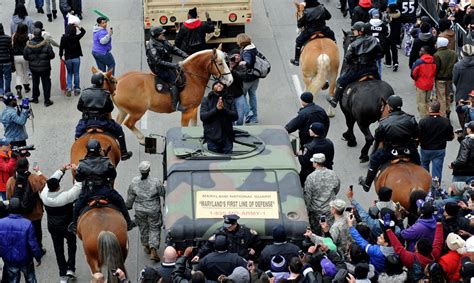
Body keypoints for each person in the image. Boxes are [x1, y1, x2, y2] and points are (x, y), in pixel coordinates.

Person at [68, 139, 135, 233]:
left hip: (88, 192)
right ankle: (128, 223)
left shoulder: (82, 164)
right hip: (105, 190)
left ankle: (74, 225)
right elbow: (113, 175)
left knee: (77, 206)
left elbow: (78, 179)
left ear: (87, 150)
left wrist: (76, 170)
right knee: (120, 201)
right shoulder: (106, 162)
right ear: (99, 150)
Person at [359, 95, 419, 191]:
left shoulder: (384, 122)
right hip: (408, 150)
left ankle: (367, 184)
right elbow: (416, 135)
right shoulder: (411, 119)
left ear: (389, 107)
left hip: (390, 151)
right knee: (418, 162)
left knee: (374, 159)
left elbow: (378, 139)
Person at [75, 73, 133, 160]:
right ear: (102, 82)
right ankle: (124, 153)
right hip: (102, 122)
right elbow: (110, 109)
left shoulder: (85, 92)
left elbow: (79, 107)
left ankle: (76, 150)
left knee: (77, 133)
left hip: (87, 122)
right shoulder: (105, 94)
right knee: (119, 130)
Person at [39, 164, 81, 282]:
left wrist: (61, 170)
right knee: (71, 245)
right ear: (58, 187)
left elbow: (52, 180)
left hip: (53, 227)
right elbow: (78, 186)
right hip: (67, 225)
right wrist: (75, 170)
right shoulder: (66, 197)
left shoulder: (44, 195)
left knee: (58, 250)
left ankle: (63, 275)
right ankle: (70, 268)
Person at [328, 22, 382, 108]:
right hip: (372, 69)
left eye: (355, 30)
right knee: (379, 82)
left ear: (360, 32)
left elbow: (347, 58)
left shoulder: (353, 44)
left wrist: (353, 62)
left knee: (341, 81)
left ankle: (334, 100)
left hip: (357, 70)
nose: (353, 32)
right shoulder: (374, 40)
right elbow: (380, 54)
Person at [126, 161, 165, 261]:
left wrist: (128, 206)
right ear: (149, 170)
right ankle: (153, 249)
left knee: (143, 227)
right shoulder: (156, 182)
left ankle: (146, 245)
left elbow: (131, 196)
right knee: (154, 228)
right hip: (153, 209)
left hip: (140, 210)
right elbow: (162, 192)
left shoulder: (134, 181)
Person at [6, 158, 47, 252]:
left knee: (23, 232)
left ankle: (26, 249)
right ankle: (39, 249)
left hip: (20, 213)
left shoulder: (11, 181)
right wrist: (39, 172)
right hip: (35, 212)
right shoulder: (34, 178)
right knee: (37, 231)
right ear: (27, 167)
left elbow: (9, 197)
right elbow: (47, 185)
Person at [145, 26, 188, 112]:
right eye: (161, 34)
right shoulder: (151, 47)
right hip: (158, 67)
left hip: (166, 63)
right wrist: (173, 65)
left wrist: (185, 55)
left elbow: (173, 48)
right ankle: (175, 105)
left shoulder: (163, 40)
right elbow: (158, 62)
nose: (163, 35)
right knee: (174, 80)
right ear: (156, 36)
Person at [0, 198, 43, 283]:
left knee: (13, 280)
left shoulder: (1, 223)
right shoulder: (27, 223)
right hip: (26, 259)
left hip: (9, 259)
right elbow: (33, 244)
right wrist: (38, 257)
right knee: (30, 278)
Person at [193, 214, 261, 261]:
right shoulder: (220, 231)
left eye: (229, 226)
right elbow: (208, 245)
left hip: (241, 260)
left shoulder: (246, 231)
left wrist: (254, 249)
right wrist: (198, 255)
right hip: (227, 260)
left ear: (235, 224)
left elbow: (257, 240)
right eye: (226, 225)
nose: (227, 227)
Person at [289, 0, 335, 66]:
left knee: (298, 41)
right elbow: (329, 17)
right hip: (323, 29)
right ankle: (334, 48)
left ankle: (296, 60)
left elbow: (300, 25)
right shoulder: (321, 8)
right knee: (332, 35)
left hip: (310, 31)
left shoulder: (306, 12)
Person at [303, 153, 340, 232]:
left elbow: (308, 196)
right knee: (329, 232)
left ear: (315, 163)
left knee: (317, 232)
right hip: (330, 210)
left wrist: (307, 210)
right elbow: (336, 188)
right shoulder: (332, 174)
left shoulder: (311, 177)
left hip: (316, 212)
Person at [419, 101, 454, 182]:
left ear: (430, 109)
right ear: (439, 109)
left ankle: (425, 188)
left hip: (425, 149)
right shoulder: (445, 121)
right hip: (439, 150)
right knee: (437, 171)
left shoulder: (423, 121)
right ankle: (436, 192)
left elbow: (418, 136)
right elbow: (450, 137)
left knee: (424, 169)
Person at [200, 80, 238, 154]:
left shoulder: (229, 99)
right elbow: (203, 117)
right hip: (212, 137)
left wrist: (224, 110)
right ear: (213, 87)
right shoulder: (206, 99)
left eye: (221, 84)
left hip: (227, 137)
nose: (219, 84)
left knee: (228, 161)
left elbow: (235, 116)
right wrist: (216, 109)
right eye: (216, 83)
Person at [23, 28, 55, 107]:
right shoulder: (47, 44)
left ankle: (35, 98)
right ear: (41, 34)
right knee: (46, 83)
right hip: (45, 68)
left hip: (34, 68)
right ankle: (47, 100)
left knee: (35, 82)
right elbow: (52, 55)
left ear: (33, 34)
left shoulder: (28, 45)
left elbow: (26, 57)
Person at [236, 33, 260, 124]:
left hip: (247, 78)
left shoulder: (246, 52)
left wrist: (243, 63)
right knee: (252, 96)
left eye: (238, 41)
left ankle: (248, 112)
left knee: (241, 96)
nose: (237, 43)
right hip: (255, 77)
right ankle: (254, 117)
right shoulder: (253, 47)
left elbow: (248, 61)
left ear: (241, 42)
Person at [59, 23, 86, 97]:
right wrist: (78, 26)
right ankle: (77, 89)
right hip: (76, 58)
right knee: (76, 73)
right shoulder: (76, 37)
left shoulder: (63, 38)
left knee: (69, 73)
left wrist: (60, 56)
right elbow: (84, 32)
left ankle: (69, 88)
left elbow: (61, 48)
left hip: (68, 58)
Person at [433, 37, 457, 117]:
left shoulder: (437, 55)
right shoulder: (453, 53)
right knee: (447, 96)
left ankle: (442, 114)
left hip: (440, 79)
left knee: (441, 98)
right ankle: (448, 110)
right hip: (450, 78)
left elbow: (436, 68)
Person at [411, 46, 436, 118]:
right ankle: (429, 114)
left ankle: (424, 118)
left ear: (425, 52)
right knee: (428, 101)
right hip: (430, 84)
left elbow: (413, 73)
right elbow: (434, 72)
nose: (420, 52)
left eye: (421, 51)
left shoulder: (419, 61)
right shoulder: (433, 61)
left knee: (421, 102)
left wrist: (416, 80)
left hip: (421, 85)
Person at [453, 44, 474, 126]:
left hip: (461, 97)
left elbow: (455, 80)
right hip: (472, 96)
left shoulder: (457, 66)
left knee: (463, 122)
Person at [226, 49, 247, 126]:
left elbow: (241, 77)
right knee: (229, 118)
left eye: (239, 56)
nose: (237, 57)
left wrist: (232, 70)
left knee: (240, 118)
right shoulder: (225, 66)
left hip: (238, 95)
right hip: (228, 96)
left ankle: (239, 129)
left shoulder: (241, 67)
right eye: (235, 55)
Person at [368, 8, 389, 77]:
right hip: (380, 46)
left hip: (370, 47)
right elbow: (387, 34)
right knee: (378, 63)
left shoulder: (368, 25)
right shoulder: (383, 25)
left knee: (370, 63)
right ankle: (379, 78)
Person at [12, 24, 30, 98]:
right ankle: (26, 86)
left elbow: (12, 45)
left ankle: (18, 87)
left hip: (16, 56)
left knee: (18, 74)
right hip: (24, 56)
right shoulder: (27, 37)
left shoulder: (14, 36)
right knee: (25, 71)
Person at [385, 4, 402, 72]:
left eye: (388, 8)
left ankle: (388, 62)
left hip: (389, 35)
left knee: (387, 48)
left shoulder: (389, 17)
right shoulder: (398, 15)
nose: (387, 8)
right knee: (394, 49)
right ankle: (395, 62)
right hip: (396, 35)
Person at [0, 24, 14, 97]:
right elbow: (11, 51)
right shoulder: (7, 38)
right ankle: (7, 92)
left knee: (0, 78)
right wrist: (12, 61)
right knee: (7, 77)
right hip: (6, 61)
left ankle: (1, 92)